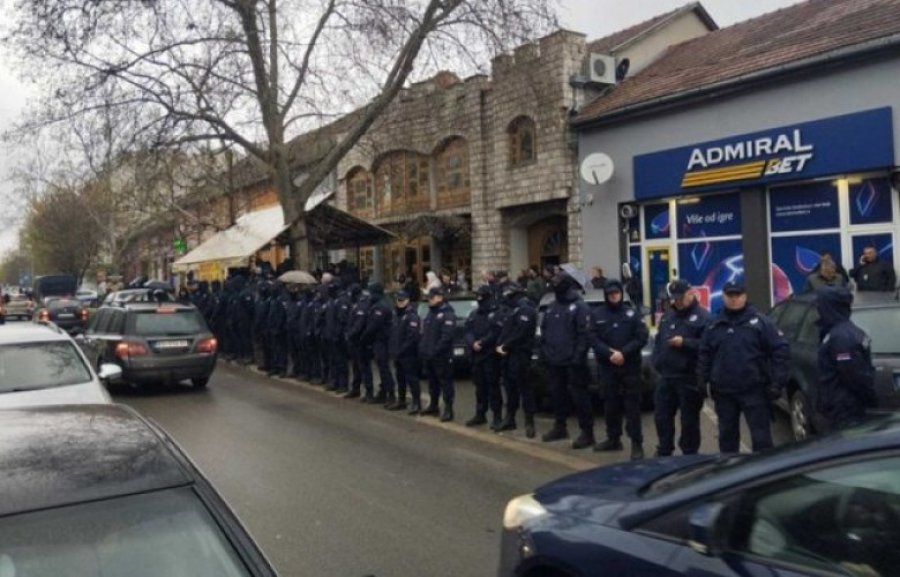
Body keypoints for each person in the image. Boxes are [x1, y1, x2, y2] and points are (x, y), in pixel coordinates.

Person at [698, 281, 790, 453]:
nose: (733, 299)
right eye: (729, 295)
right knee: (727, 439)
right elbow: (705, 352)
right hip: (724, 392)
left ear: (745, 296)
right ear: (724, 296)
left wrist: (777, 383)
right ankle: (732, 476)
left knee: (761, 440)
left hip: (754, 390)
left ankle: (764, 476)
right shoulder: (714, 324)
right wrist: (702, 379)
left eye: (737, 295)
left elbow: (780, 350)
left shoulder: (760, 322)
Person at [590, 279, 649, 460]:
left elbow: (641, 337)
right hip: (608, 367)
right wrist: (609, 353)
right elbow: (592, 337)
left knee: (632, 406)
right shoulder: (597, 314)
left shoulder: (632, 313)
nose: (614, 296)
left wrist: (623, 353)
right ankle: (613, 439)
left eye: (616, 293)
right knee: (610, 405)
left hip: (629, 366)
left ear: (621, 294)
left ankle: (636, 443)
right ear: (606, 295)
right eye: (611, 294)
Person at [651, 279, 709, 457]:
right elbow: (659, 339)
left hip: (688, 377)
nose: (677, 302)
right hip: (667, 376)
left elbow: (707, 346)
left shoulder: (703, 317)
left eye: (680, 298)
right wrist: (657, 360)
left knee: (689, 420)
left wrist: (685, 343)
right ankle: (664, 448)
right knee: (662, 416)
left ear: (690, 293)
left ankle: (689, 453)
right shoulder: (669, 315)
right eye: (674, 299)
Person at [540, 273, 594, 449]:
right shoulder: (551, 306)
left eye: (557, 283)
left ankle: (587, 432)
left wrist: (577, 357)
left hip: (573, 362)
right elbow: (545, 331)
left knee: (580, 397)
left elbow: (584, 335)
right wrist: (546, 352)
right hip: (555, 361)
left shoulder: (579, 306)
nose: (554, 286)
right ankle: (560, 427)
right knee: (557, 395)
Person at [815, 287, 877, 431]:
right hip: (839, 407)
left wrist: (870, 399)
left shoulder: (842, 337)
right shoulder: (836, 332)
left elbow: (854, 376)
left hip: (846, 410)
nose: (818, 311)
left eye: (820, 306)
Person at [495, 282, 538, 437]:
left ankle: (529, 422)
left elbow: (521, 333)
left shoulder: (526, 309)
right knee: (509, 388)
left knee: (525, 389)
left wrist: (505, 345)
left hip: (520, 354)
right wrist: (500, 345)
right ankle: (510, 418)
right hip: (508, 355)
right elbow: (504, 330)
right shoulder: (511, 309)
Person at [463, 285, 502, 428]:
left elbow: (495, 332)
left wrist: (482, 343)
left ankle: (497, 416)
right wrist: (472, 343)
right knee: (479, 387)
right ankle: (480, 414)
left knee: (493, 387)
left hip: (490, 354)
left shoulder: (495, 312)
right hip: (476, 354)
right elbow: (467, 330)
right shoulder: (474, 313)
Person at [419, 287, 457, 421]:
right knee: (432, 383)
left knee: (445, 383)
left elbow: (447, 337)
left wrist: (436, 351)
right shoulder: (431, 313)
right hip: (429, 355)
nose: (429, 300)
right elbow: (426, 334)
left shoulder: (447, 313)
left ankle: (448, 409)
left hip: (442, 356)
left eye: (432, 297)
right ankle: (434, 405)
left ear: (440, 297)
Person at [362, 282, 396, 406]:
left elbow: (373, 326)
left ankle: (390, 395)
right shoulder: (377, 305)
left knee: (384, 369)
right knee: (382, 369)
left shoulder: (381, 307)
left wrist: (364, 338)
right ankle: (384, 392)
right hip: (379, 341)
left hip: (382, 341)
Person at [388, 291, 421, 413]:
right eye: (398, 300)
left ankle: (416, 403)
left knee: (412, 379)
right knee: (400, 378)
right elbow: (392, 334)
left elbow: (412, 337)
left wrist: (401, 350)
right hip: (397, 353)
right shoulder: (396, 315)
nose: (400, 302)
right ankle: (401, 400)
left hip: (409, 354)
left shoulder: (412, 316)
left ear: (408, 301)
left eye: (402, 300)